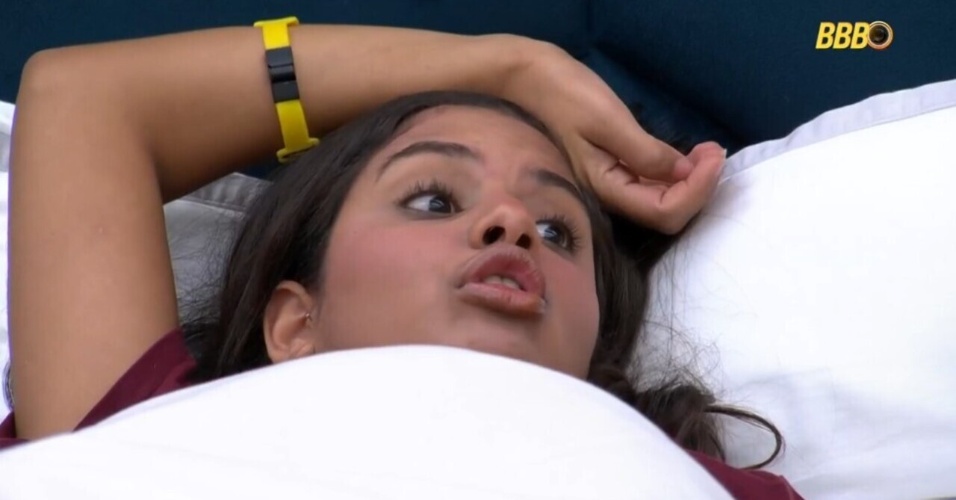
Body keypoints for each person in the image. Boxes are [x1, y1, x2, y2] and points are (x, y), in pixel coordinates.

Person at [1, 20, 800, 498]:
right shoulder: (150, 429)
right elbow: (85, 98)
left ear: (594, 354)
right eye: (434, 200)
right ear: (295, 325)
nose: (512, 223)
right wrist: (508, 66)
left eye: (557, 231)